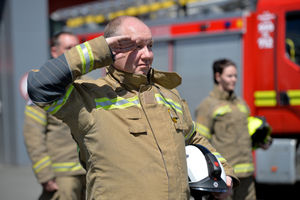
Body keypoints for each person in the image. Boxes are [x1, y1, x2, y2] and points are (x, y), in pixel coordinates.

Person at [27, 16, 238, 200]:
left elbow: (193, 138)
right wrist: (100, 49)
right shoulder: (87, 97)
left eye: (150, 46)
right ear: (112, 50)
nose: (147, 55)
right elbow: (39, 86)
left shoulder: (168, 94)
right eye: (136, 46)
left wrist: (223, 173)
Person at [195, 58, 271, 200]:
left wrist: (263, 140)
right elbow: (200, 143)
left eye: (235, 76)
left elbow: (248, 133)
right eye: (229, 76)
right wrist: (212, 177)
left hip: (247, 176)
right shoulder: (207, 106)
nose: (234, 79)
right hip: (226, 177)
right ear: (218, 77)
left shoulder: (241, 104)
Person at [23, 31, 86, 200]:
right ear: (54, 51)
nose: (74, 52)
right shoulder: (44, 88)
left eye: (77, 47)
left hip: (89, 172)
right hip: (62, 177)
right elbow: (33, 136)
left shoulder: (86, 84)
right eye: (68, 48)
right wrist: (45, 175)